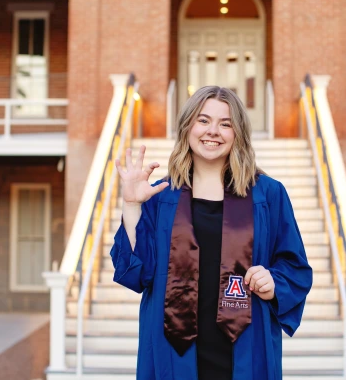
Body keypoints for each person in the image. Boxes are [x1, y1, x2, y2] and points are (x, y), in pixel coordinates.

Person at [111, 86, 313, 380]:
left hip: (245, 347)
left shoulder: (268, 195)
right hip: (172, 350)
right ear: (187, 127)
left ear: (238, 133)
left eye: (226, 124)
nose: (213, 131)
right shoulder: (161, 197)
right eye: (203, 120)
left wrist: (273, 282)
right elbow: (135, 274)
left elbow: (294, 267)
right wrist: (131, 206)